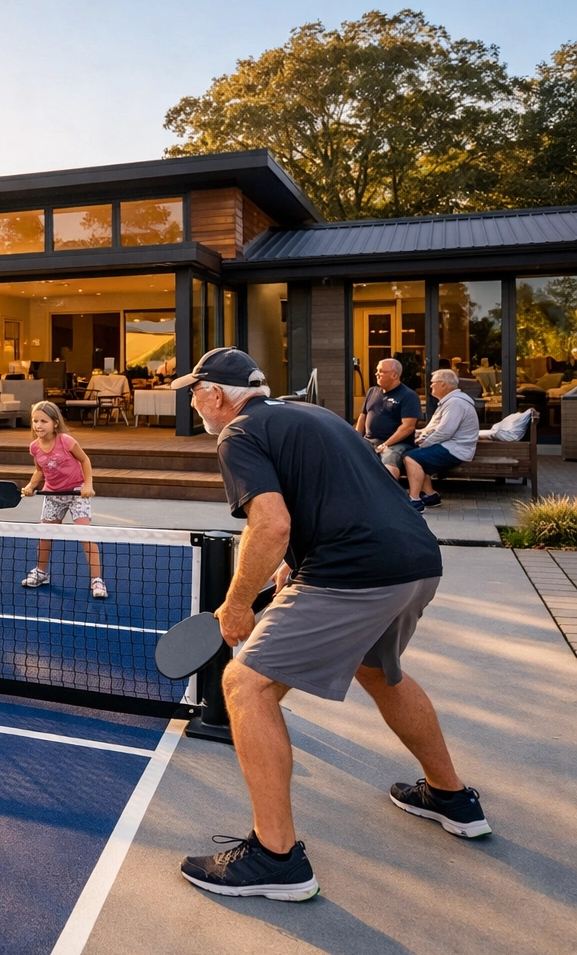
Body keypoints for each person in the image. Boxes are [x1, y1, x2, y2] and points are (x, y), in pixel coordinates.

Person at [170, 348, 487, 902]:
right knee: (378, 671)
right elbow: (345, 493)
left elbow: (270, 525)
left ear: (216, 394)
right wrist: (295, 563)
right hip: (416, 560)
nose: (193, 403)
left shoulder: (237, 434)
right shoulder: (311, 414)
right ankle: (450, 797)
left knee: (245, 684)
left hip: (354, 570)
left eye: (194, 392)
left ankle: (275, 858)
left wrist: (237, 604)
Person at [19, 400, 107, 599]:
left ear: (55, 423)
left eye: (44, 421)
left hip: (76, 493)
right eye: (35, 421)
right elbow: (40, 470)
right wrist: (31, 486)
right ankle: (41, 573)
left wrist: (88, 485)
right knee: (45, 535)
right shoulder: (34, 447)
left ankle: (97, 580)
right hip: (52, 495)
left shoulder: (66, 441)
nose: (38, 425)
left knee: (85, 535)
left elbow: (85, 460)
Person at [403, 369, 480, 512]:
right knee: (419, 458)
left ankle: (415, 501)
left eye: (433, 382)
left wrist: (424, 444)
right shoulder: (450, 402)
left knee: (411, 458)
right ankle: (431, 496)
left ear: (444, 384)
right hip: (451, 446)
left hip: (455, 449)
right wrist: (418, 433)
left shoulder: (455, 403)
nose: (430, 385)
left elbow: (445, 431)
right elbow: (434, 428)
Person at [353, 358, 422, 478]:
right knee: (348, 457)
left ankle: (387, 489)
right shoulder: (372, 391)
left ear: (394, 375)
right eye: (377, 371)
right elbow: (362, 417)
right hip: (369, 440)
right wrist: (356, 438)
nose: (377, 374)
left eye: (381, 371)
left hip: (396, 443)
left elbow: (408, 427)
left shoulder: (408, 395)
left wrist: (385, 444)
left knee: (388, 464)